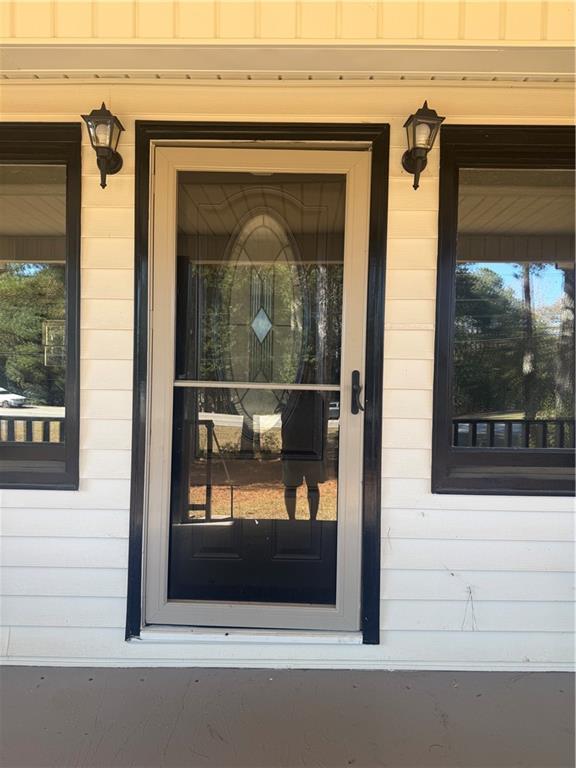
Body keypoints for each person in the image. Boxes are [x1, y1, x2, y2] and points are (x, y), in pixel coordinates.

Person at [281, 390, 328, 520]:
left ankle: (307, 519)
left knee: (304, 485)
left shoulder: (292, 397)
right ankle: (295, 519)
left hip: (303, 447)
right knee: (294, 486)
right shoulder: (293, 398)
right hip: (297, 447)